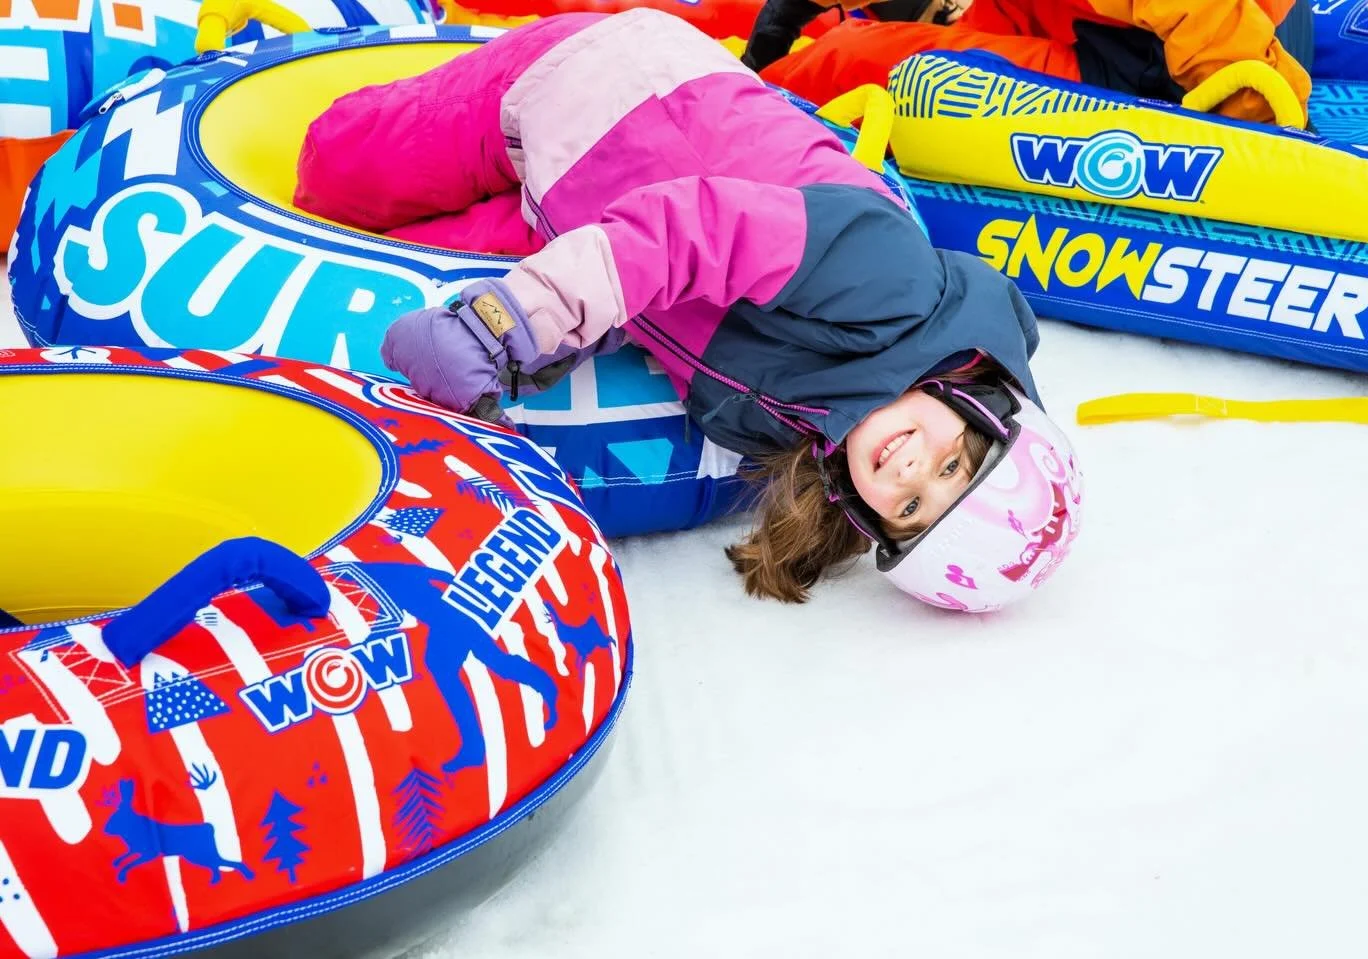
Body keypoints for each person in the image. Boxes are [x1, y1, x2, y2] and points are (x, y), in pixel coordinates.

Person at [293, 8, 1083, 611]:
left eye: (913, 508)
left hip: (565, 207)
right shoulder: (895, 284)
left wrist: (535, 361)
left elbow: (666, 327)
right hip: (603, 88)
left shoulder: (804, 423)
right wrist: (504, 325)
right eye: (955, 462)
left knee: (358, 244)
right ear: (984, 402)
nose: (912, 471)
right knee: (330, 176)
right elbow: (692, 234)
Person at [746, 0, 1315, 127]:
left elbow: (1209, 21)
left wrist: (1260, 120)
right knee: (855, 44)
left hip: (1156, 65)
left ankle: (743, 99)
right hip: (1096, 25)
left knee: (864, 60)